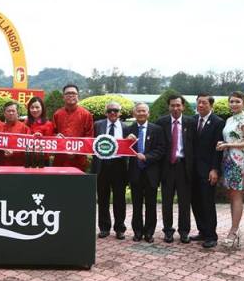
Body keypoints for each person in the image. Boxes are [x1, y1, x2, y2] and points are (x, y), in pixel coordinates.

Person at [216, 91, 244, 248]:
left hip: (238, 160)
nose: (234, 104)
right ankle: (234, 228)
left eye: (237, 101)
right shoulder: (230, 119)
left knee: (237, 195)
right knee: (231, 195)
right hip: (227, 159)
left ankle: (234, 230)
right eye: (231, 101)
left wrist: (228, 145)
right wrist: (223, 143)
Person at [156, 95, 196, 243]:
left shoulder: (191, 123)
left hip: (184, 166)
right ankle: (168, 231)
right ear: (169, 107)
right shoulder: (161, 123)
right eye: (172, 105)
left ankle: (184, 231)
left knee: (184, 202)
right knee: (166, 201)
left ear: (183, 106)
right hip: (167, 167)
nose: (175, 108)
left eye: (178, 105)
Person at [125, 103, 166, 242]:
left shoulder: (157, 129)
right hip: (135, 172)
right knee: (136, 205)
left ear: (148, 113)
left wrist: (147, 157)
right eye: (138, 111)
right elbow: (122, 149)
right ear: (134, 113)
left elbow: (161, 149)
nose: (141, 113)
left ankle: (149, 232)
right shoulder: (129, 129)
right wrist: (126, 141)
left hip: (151, 173)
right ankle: (137, 232)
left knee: (151, 204)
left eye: (144, 111)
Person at [190, 93, 225, 248]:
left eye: (204, 103)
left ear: (211, 105)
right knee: (196, 201)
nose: (201, 105)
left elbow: (218, 149)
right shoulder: (192, 120)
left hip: (208, 170)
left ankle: (211, 235)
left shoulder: (218, 122)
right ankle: (202, 231)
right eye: (199, 103)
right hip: (192, 170)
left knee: (207, 203)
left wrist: (215, 169)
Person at [91, 102, 129, 239]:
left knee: (120, 199)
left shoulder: (126, 128)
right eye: (110, 111)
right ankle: (104, 228)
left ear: (120, 113)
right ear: (106, 112)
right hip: (102, 166)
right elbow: (89, 142)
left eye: (115, 110)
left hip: (119, 166)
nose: (113, 113)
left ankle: (120, 228)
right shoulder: (98, 125)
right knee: (102, 198)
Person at [52, 84, 93, 171]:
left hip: (78, 160)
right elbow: (53, 133)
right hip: (60, 159)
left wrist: (76, 151)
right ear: (63, 97)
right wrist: (56, 137)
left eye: (73, 93)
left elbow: (89, 137)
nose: (71, 95)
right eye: (68, 93)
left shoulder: (86, 114)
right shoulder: (57, 114)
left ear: (78, 96)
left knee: (77, 184)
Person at [26, 96, 54, 167]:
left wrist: (42, 139)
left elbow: (50, 144)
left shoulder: (48, 124)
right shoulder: (25, 123)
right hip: (28, 158)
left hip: (43, 160)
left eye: (37, 107)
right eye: (32, 107)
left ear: (42, 108)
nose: (34, 110)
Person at [0, 101, 30, 166]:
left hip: (20, 166)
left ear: (17, 113)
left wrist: (14, 152)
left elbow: (29, 147)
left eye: (13, 111)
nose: (11, 113)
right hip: (1, 165)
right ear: (4, 113)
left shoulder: (25, 128)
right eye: (8, 111)